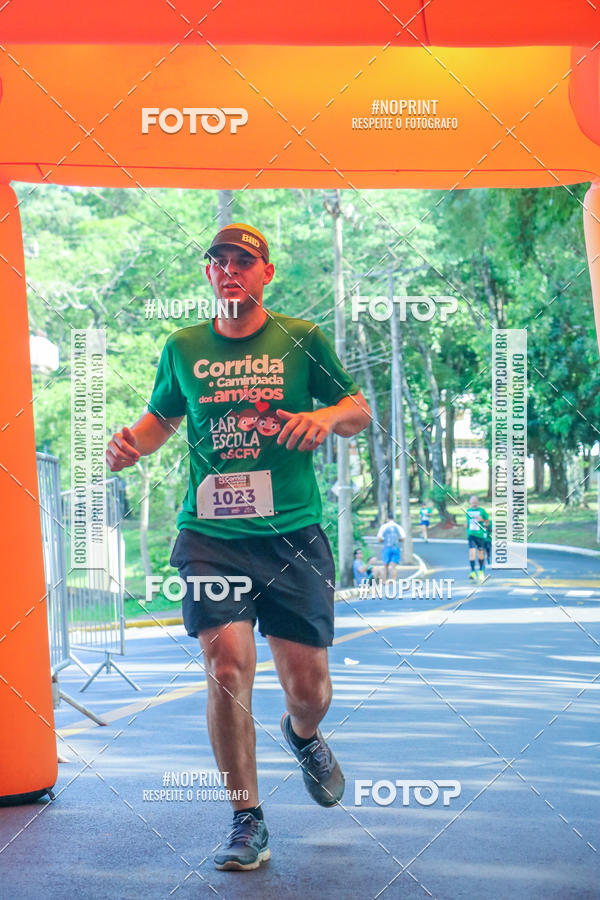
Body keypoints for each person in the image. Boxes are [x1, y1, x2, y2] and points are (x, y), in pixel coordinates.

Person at [106, 222, 371, 871]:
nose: (230, 270)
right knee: (226, 668)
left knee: (308, 687)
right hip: (211, 535)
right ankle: (246, 819)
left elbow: (358, 407)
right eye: (219, 261)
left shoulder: (300, 339)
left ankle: (302, 735)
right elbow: (162, 419)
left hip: (293, 533)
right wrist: (129, 445)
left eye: (243, 261)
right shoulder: (183, 346)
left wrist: (323, 417)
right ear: (209, 273)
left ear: (265, 273)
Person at [466, 495, 489, 582]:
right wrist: (466, 525)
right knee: (472, 552)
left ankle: (480, 571)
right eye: (472, 502)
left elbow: (487, 522)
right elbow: (468, 522)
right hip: (471, 534)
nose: (474, 503)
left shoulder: (482, 511)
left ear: (477, 502)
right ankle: (472, 572)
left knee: (480, 553)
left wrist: (482, 519)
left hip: (480, 535)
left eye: (475, 501)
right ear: (470, 502)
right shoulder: (468, 511)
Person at [376, 515, 406, 580]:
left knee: (385, 566)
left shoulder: (383, 527)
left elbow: (379, 539)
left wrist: (385, 540)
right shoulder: (398, 527)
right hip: (395, 548)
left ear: (387, 519)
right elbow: (403, 539)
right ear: (393, 519)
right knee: (393, 567)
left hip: (386, 548)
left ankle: (385, 581)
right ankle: (393, 581)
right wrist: (396, 540)